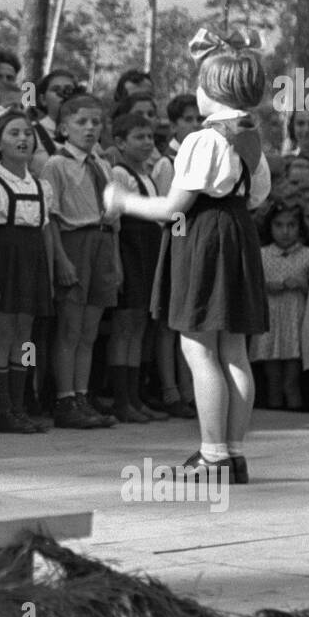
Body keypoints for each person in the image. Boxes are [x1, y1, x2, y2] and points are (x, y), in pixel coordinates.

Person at [105, 27, 272, 484]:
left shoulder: (202, 140)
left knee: (197, 347)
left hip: (205, 237)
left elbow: (173, 207)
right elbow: (256, 198)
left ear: (215, 91)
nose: (195, 93)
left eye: (200, 84)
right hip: (238, 235)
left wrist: (122, 201)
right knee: (234, 350)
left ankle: (212, 455)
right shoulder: (251, 137)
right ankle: (233, 454)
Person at [0, 110, 55, 433]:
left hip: (32, 263)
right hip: (5, 261)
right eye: (13, 134)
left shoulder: (41, 186)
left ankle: (20, 405)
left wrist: (46, 277)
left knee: (26, 336)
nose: (23, 139)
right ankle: (0, 409)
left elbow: (45, 232)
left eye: (27, 133)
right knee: (2, 333)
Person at [42, 95, 121, 430]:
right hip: (74, 241)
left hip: (102, 241)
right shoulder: (55, 165)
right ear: (63, 127)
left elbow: (114, 221)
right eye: (81, 122)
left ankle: (83, 395)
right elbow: (51, 218)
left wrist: (115, 262)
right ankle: (64, 398)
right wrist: (61, 259)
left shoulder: (103, 165)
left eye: (96, 122)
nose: (90, 129)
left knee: (90, 330)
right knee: (71, 328)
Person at [108, 113, 168, 424]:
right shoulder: (119, 174)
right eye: (139, 138)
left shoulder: (148, 175)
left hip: (149, 252)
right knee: (124, 326)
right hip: (130, 252)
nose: (147, 143)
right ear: (119, 142)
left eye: (150, 137)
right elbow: (117, 221)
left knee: (139, 326)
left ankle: (135, 396)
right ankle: (121, 399)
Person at [250, 202, 309, 410]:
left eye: (291, 225)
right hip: (271, 323)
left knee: (291, 381)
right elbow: (252, 288)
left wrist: (302, 285)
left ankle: (295, 414)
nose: (285, 231)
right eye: (279, 225)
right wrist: (266, 287)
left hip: (295, 322)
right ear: (270, 228)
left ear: (299, 228)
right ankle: (276, 416)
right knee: (273, 380)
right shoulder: (262, 254)